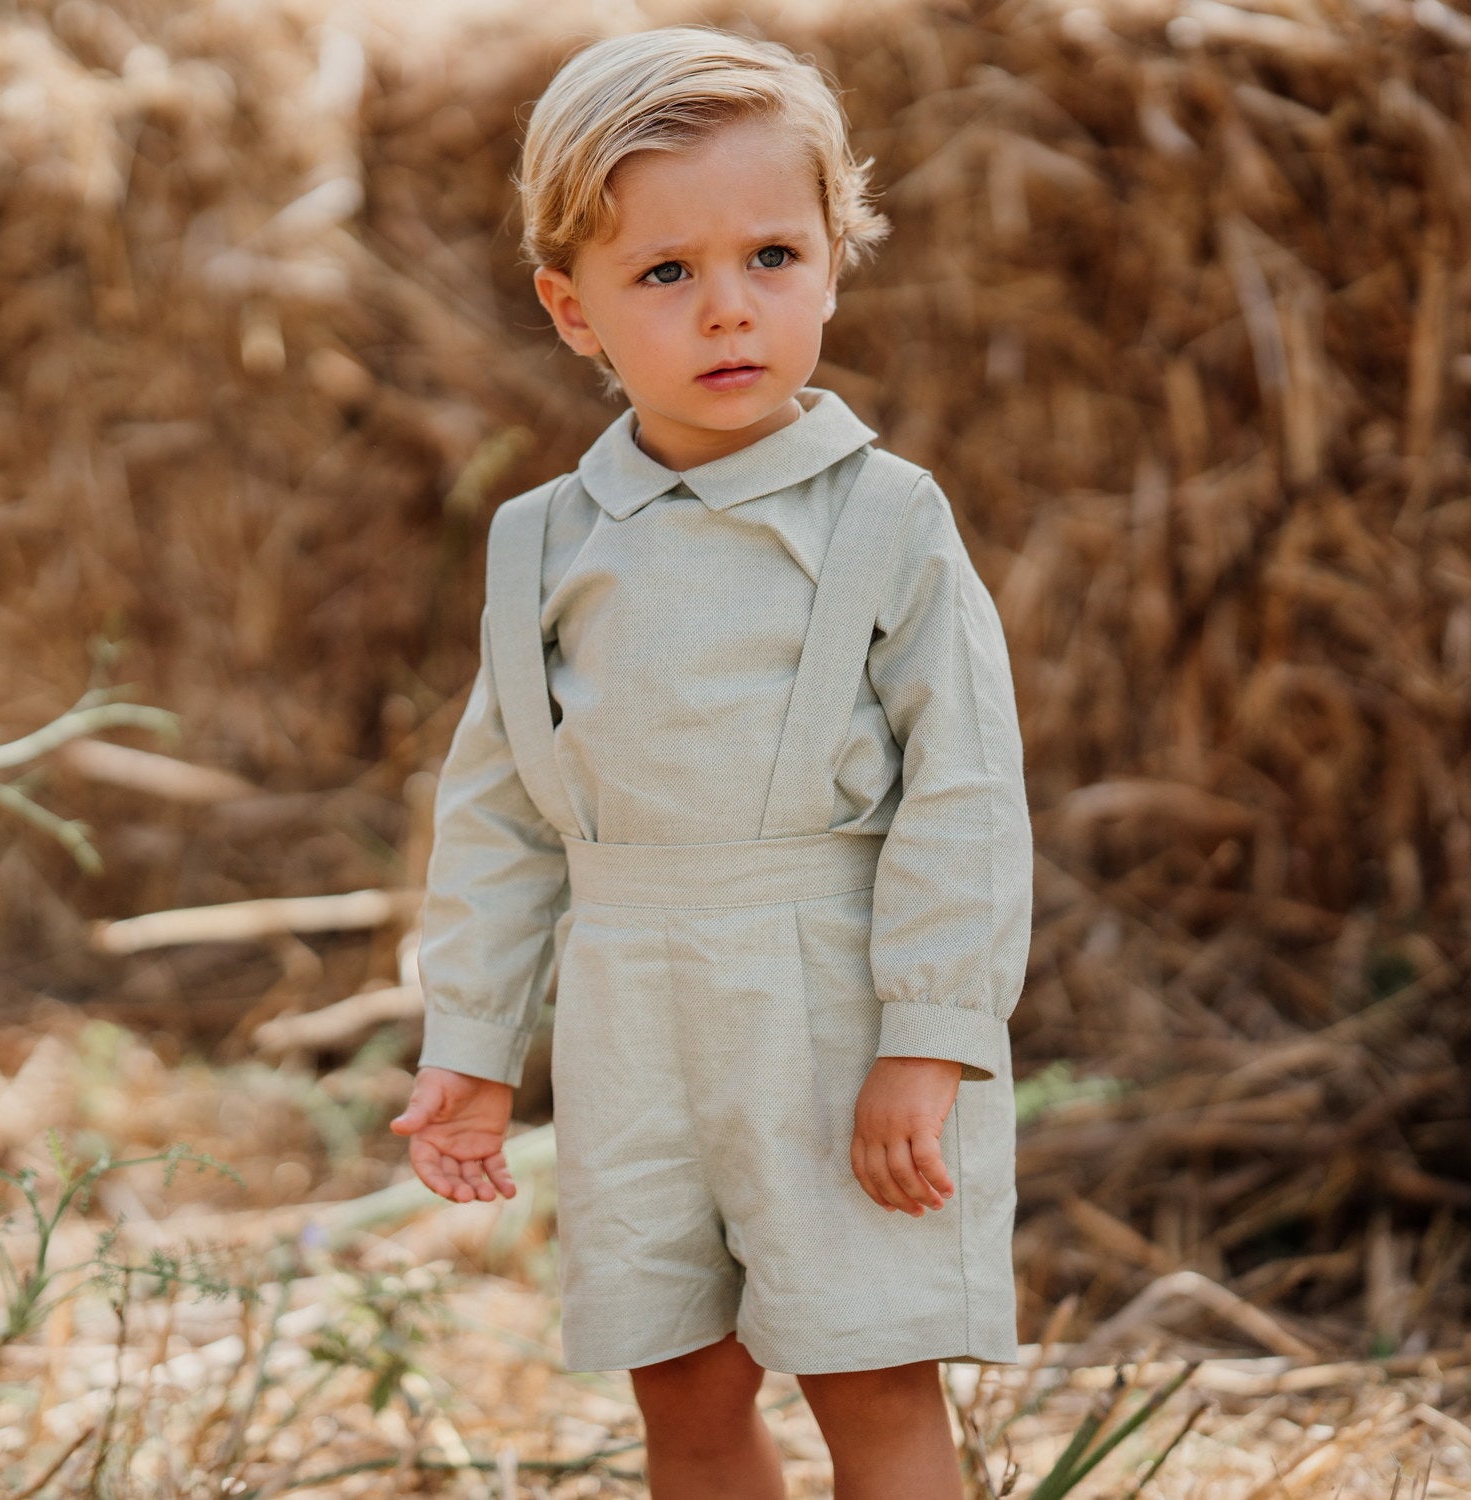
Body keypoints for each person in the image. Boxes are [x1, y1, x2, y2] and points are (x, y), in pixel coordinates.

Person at [390, 24, 1033, 1499]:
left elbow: (967, 793)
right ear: (574, 311)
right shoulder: (542, 540)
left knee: (872, 1379)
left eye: (772, 258)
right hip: (631, 1014)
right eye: (665, 275)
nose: (728, 311)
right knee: (680, 1390)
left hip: (830, 1005)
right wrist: (475, 1050)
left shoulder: (889, 518)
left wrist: (928, 1038)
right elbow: (498, 818)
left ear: (832, 258)